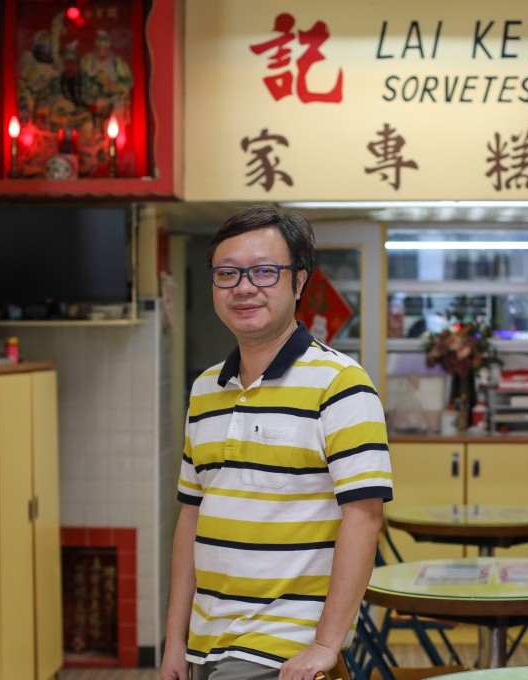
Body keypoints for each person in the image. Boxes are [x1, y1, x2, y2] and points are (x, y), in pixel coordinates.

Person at [162, 205, 393, 680]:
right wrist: (174, 642)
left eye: (264, 272)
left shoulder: (342, 383)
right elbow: (192, 516)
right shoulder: (206, 388)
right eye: (227, 273)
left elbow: (365, 517)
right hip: (206, 645)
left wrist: (327, 644)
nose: (244, 287)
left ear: (299, 282)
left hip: (283, 651)